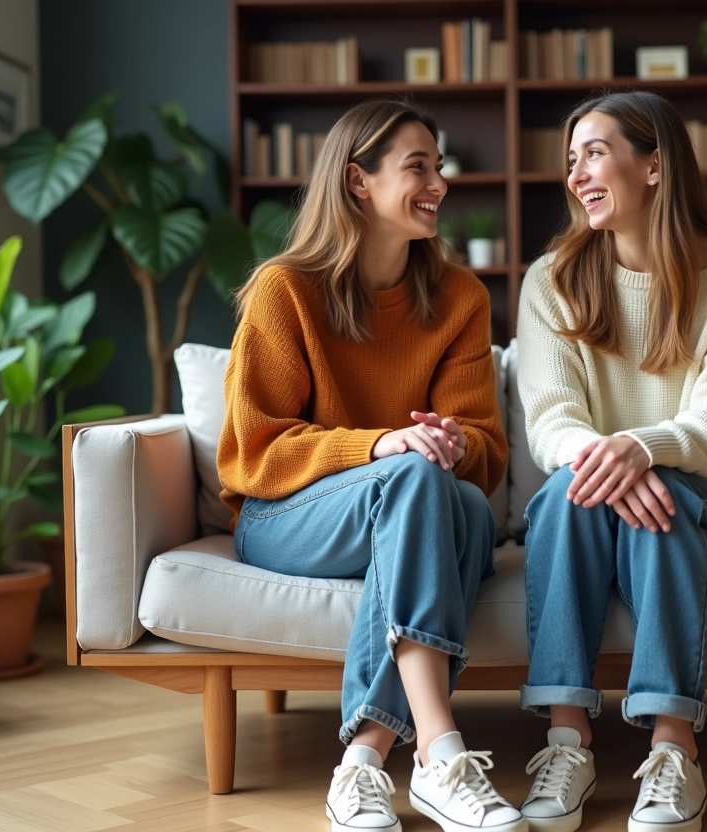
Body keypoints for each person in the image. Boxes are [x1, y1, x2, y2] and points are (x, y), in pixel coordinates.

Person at [218, 98, 523, 832]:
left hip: (419, 508)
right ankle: (440, 753)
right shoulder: (284, 290)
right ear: (358, 181)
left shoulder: (459, 297)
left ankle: (364, 758)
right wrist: (380, 444)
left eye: (438, 167)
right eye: (418, 167)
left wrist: (451, 442)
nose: (439, 184)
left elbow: (484, 450)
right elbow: (252, 453)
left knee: (460, 503)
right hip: (289, 514)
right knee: (417, 479)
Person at [514, 90, 707, 832]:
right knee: (565, 494)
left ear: (656, 164)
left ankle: (675, 751)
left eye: (595, 152)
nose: (576, 175)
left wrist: (644, 451)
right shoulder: (551, 282)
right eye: (570, 161)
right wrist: (611, 461)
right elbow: (550, 419)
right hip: (601, 492)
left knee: (659, 497)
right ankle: (567, 740)